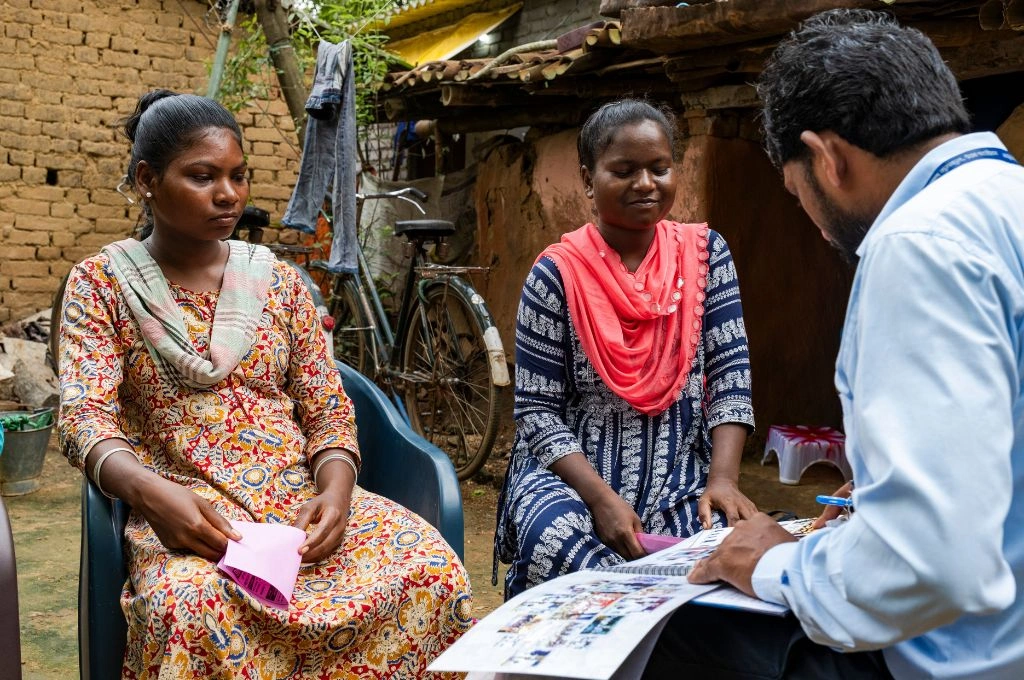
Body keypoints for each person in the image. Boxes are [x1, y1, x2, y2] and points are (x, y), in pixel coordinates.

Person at [644, 9, 1024, 680]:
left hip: (974, 653)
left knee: (672, 633)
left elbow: (927, 565)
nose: (818, 230)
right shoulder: (1007, 199)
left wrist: (777, 562)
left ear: (828, 159)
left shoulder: (917, 248)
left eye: (796, 194)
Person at [57, 90, 472, 678]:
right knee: (192, 608)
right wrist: (154, 497)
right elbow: (84, 417)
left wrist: (336, 493)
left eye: (237, 175)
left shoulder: (277, 283)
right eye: (202, 176)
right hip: (192, 517)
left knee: (430, 569)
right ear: (148, 179)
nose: (228, 194)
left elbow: (328, 408)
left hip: (297, 509)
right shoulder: (101, 284)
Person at [494, 99, 758, 598]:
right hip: (572, 475)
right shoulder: (556, 275)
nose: (646, 184)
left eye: (660, 168)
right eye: (624, 170)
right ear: (589, 179)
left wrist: (722, 479)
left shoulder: (706, 256)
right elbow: (536, 411)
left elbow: (730, 377)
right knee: (558, 541)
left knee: (710, 555)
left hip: (681, 469)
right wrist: (599, 498)